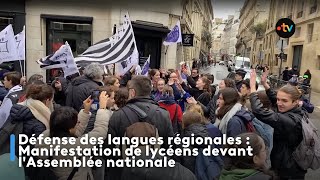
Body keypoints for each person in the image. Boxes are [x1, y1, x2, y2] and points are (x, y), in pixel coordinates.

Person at [105, 75, 174, 180]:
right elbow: (169, 146)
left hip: (125, 172)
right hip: (155, 171)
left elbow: (110, 149)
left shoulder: (118, 115)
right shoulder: (163, 114)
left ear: (132, 92)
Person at [37, 92, 111, 180]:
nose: (77, 124)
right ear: (69, 128)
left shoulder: (45, 136)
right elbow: (100, 132)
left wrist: (85, 111)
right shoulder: (74, 146)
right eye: (76, 123)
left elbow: (74, 131)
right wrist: (102, 109)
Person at [249, 68, 307, 179]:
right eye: (278, 99)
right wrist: (265, 84)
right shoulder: (293, 109)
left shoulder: (291, 121)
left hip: (288, 171)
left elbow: (259, 111)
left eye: (284, 101)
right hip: (283, 165)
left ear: (295, 102)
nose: (279, 103)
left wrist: (252, 88)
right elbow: (276, 98)